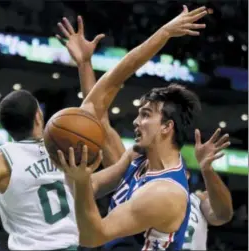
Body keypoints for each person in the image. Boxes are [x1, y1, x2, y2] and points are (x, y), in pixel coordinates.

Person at [0, 19, 124, 251]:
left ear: (6, 127)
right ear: (39, 117)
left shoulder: (0, 162)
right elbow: (94, 111)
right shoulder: (64, 150)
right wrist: (84, 63)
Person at [55, 5, 213, 251]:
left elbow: (93, 236)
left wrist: (81, 180)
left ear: (166, 127)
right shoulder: (138, 157)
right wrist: (164, 33)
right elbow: (105, 99)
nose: (135, 122)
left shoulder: (165, 193)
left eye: (145, 115)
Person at [182, 129, 233, 250]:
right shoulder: (145, 197)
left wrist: (207, 170)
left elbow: (224, 215)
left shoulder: (198, 200)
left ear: (186, 175)